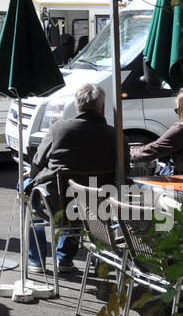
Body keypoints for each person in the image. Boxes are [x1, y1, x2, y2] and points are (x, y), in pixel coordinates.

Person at [24, 83, 116, 268]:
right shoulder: (115, 135)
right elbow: (123, 172)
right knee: (77, 199)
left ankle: (37, 259)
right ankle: (65, 258)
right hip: (98, 207)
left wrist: (32, 175)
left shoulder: (59, 128)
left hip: (56, 204)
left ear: (77, 106)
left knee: (26, 187)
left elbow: (37, 163)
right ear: (102, 107)